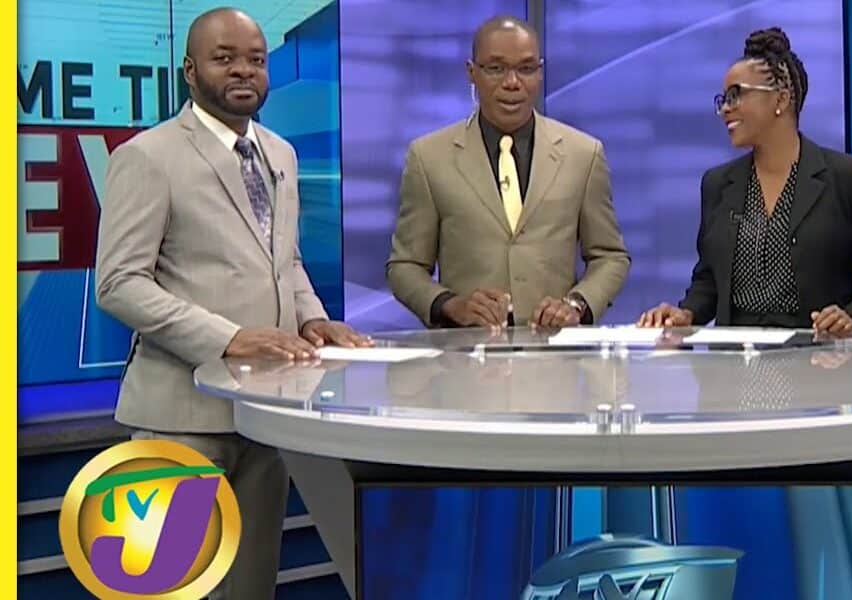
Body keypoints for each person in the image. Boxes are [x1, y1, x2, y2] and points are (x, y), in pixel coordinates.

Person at [94, 8, 371, 598]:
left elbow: (284, 260)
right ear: (190, 71)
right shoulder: (148, 157)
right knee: (173, 589)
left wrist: (313, 318)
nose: (244, 70)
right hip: (181, 418)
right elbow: (118, 282)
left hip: (264, 417)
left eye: (256, 59)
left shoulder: (280, 153)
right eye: (225, 59)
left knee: (250, 589)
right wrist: (228, 339)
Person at [637, 27, 852, 334]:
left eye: (736, 95)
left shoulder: (849, 177)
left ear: (781, 99)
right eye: (723, 99)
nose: (725, 108)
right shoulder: (718, 183)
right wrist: (686, 313)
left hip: (819, 356)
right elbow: (709, 280)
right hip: (735, 358)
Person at [387, 16, 630, 329]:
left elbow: (610, 256)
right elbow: (405, 266)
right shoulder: (429, 157)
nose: (512, 82)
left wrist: (576, 304)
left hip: (554, 352)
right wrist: (451, 305)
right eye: (496, 68)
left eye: (526, 69)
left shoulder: (583, 154)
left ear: (540, 72)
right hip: (466, 351)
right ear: (471, 72)